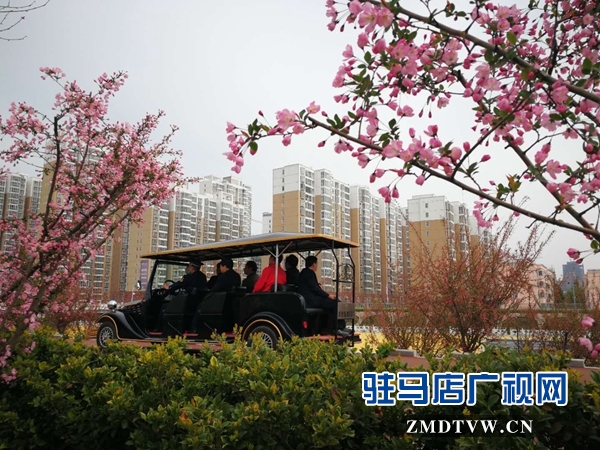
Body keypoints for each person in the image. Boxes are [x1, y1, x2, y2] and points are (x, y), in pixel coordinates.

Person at [297, 255, 349, 336]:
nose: (317, 266)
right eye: (317, 264)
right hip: (311, 300)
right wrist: (328, 295)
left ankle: (330, 328)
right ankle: (337, 328)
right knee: (336, 303)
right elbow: (316, 289)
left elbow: (312, 286)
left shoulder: (304, 272)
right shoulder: (309, 273)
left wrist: (318, 285)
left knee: (333, 303)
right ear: (314, 264)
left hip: (309, 298)